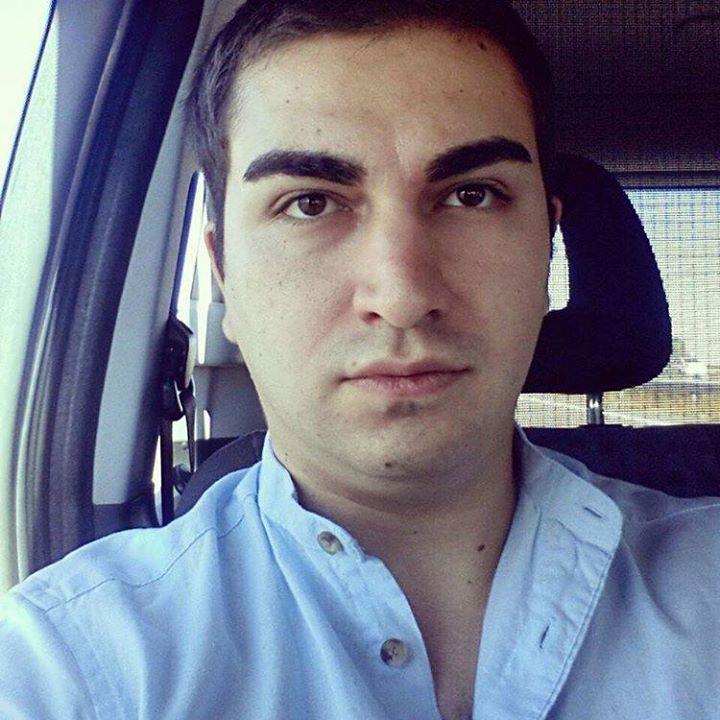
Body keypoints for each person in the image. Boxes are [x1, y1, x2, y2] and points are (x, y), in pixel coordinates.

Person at [1, 1, 718, 719]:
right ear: (225, 276)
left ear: (546, 252)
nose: (402, 296)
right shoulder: (70, 666)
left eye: (472, 195)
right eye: (310, 203)